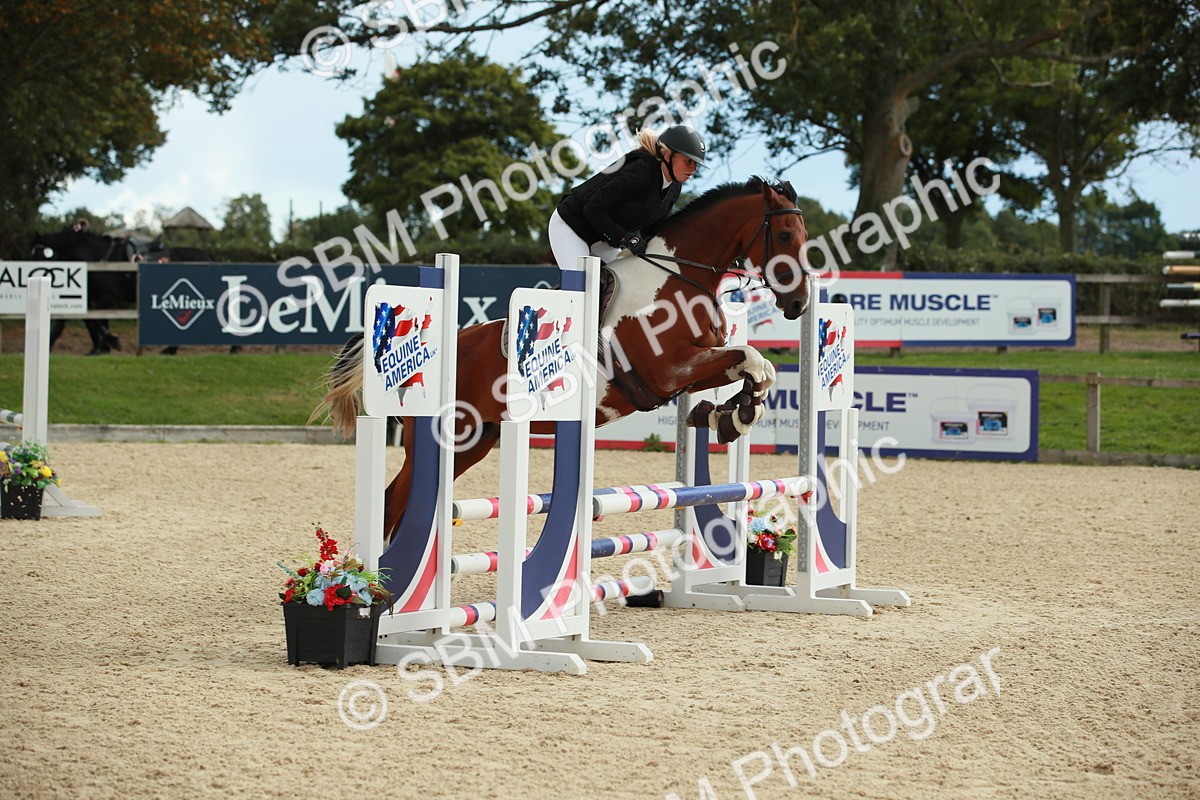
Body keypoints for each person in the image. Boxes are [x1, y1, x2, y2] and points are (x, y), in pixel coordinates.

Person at [550, 125, 706, 269]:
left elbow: (654, 231)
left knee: (628, 283)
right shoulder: (641, 171)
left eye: (696, 164)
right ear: (667, 155)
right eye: (688, 161)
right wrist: (626, 238)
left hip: (603, 239)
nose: (693, 169)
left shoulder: (674, 187)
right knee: (581, 285)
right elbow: (594, 208)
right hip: (572, 226)